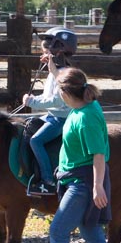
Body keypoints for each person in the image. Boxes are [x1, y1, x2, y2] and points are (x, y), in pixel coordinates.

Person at [28, 67, 113, 243]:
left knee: (58, 231)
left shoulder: (86, 118)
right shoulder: (82, 107)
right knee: (91, 231)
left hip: (82, 183)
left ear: (65, 94)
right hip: (75, 178)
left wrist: (97, 187)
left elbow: (98, 155)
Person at [23, 27, 78, 196]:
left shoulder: (64, 73)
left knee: (36, 141)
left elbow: (56, 100)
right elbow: (48, 96)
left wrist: (32, 101)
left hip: (61, 119)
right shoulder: (55, 72)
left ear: (58, 51)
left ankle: (48, 180)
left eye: (47, 52)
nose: (44, 56)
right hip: (53, 115)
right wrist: (35, 98)